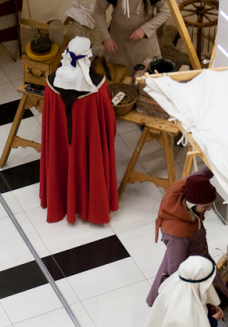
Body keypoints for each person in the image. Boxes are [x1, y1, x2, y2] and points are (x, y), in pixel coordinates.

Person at [40, 36, 118, 224]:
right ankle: (91, 209)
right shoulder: (97, 86)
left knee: (61, 161)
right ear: (88, 58)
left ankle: (61, 203)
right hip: (88, 146)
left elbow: (48, 120)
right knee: (89, 165)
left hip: (60, 142)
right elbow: (109, 123)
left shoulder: (52, 83)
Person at [147, 167, 228, 307]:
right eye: (205, 207)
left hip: (198, 254)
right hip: (192, 268)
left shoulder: (182, 188)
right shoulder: (177, 234)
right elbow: (176, 270)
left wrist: (217, 163)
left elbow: (201, 175)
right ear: (192, 204)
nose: (209, 209)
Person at [93, 0, 171, 73]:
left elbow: (166, 11)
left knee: (145, 79)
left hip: (145, 45)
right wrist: (106, 38)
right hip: (118, 45)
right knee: (118, 81)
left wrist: (145, 29)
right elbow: (98, 11)